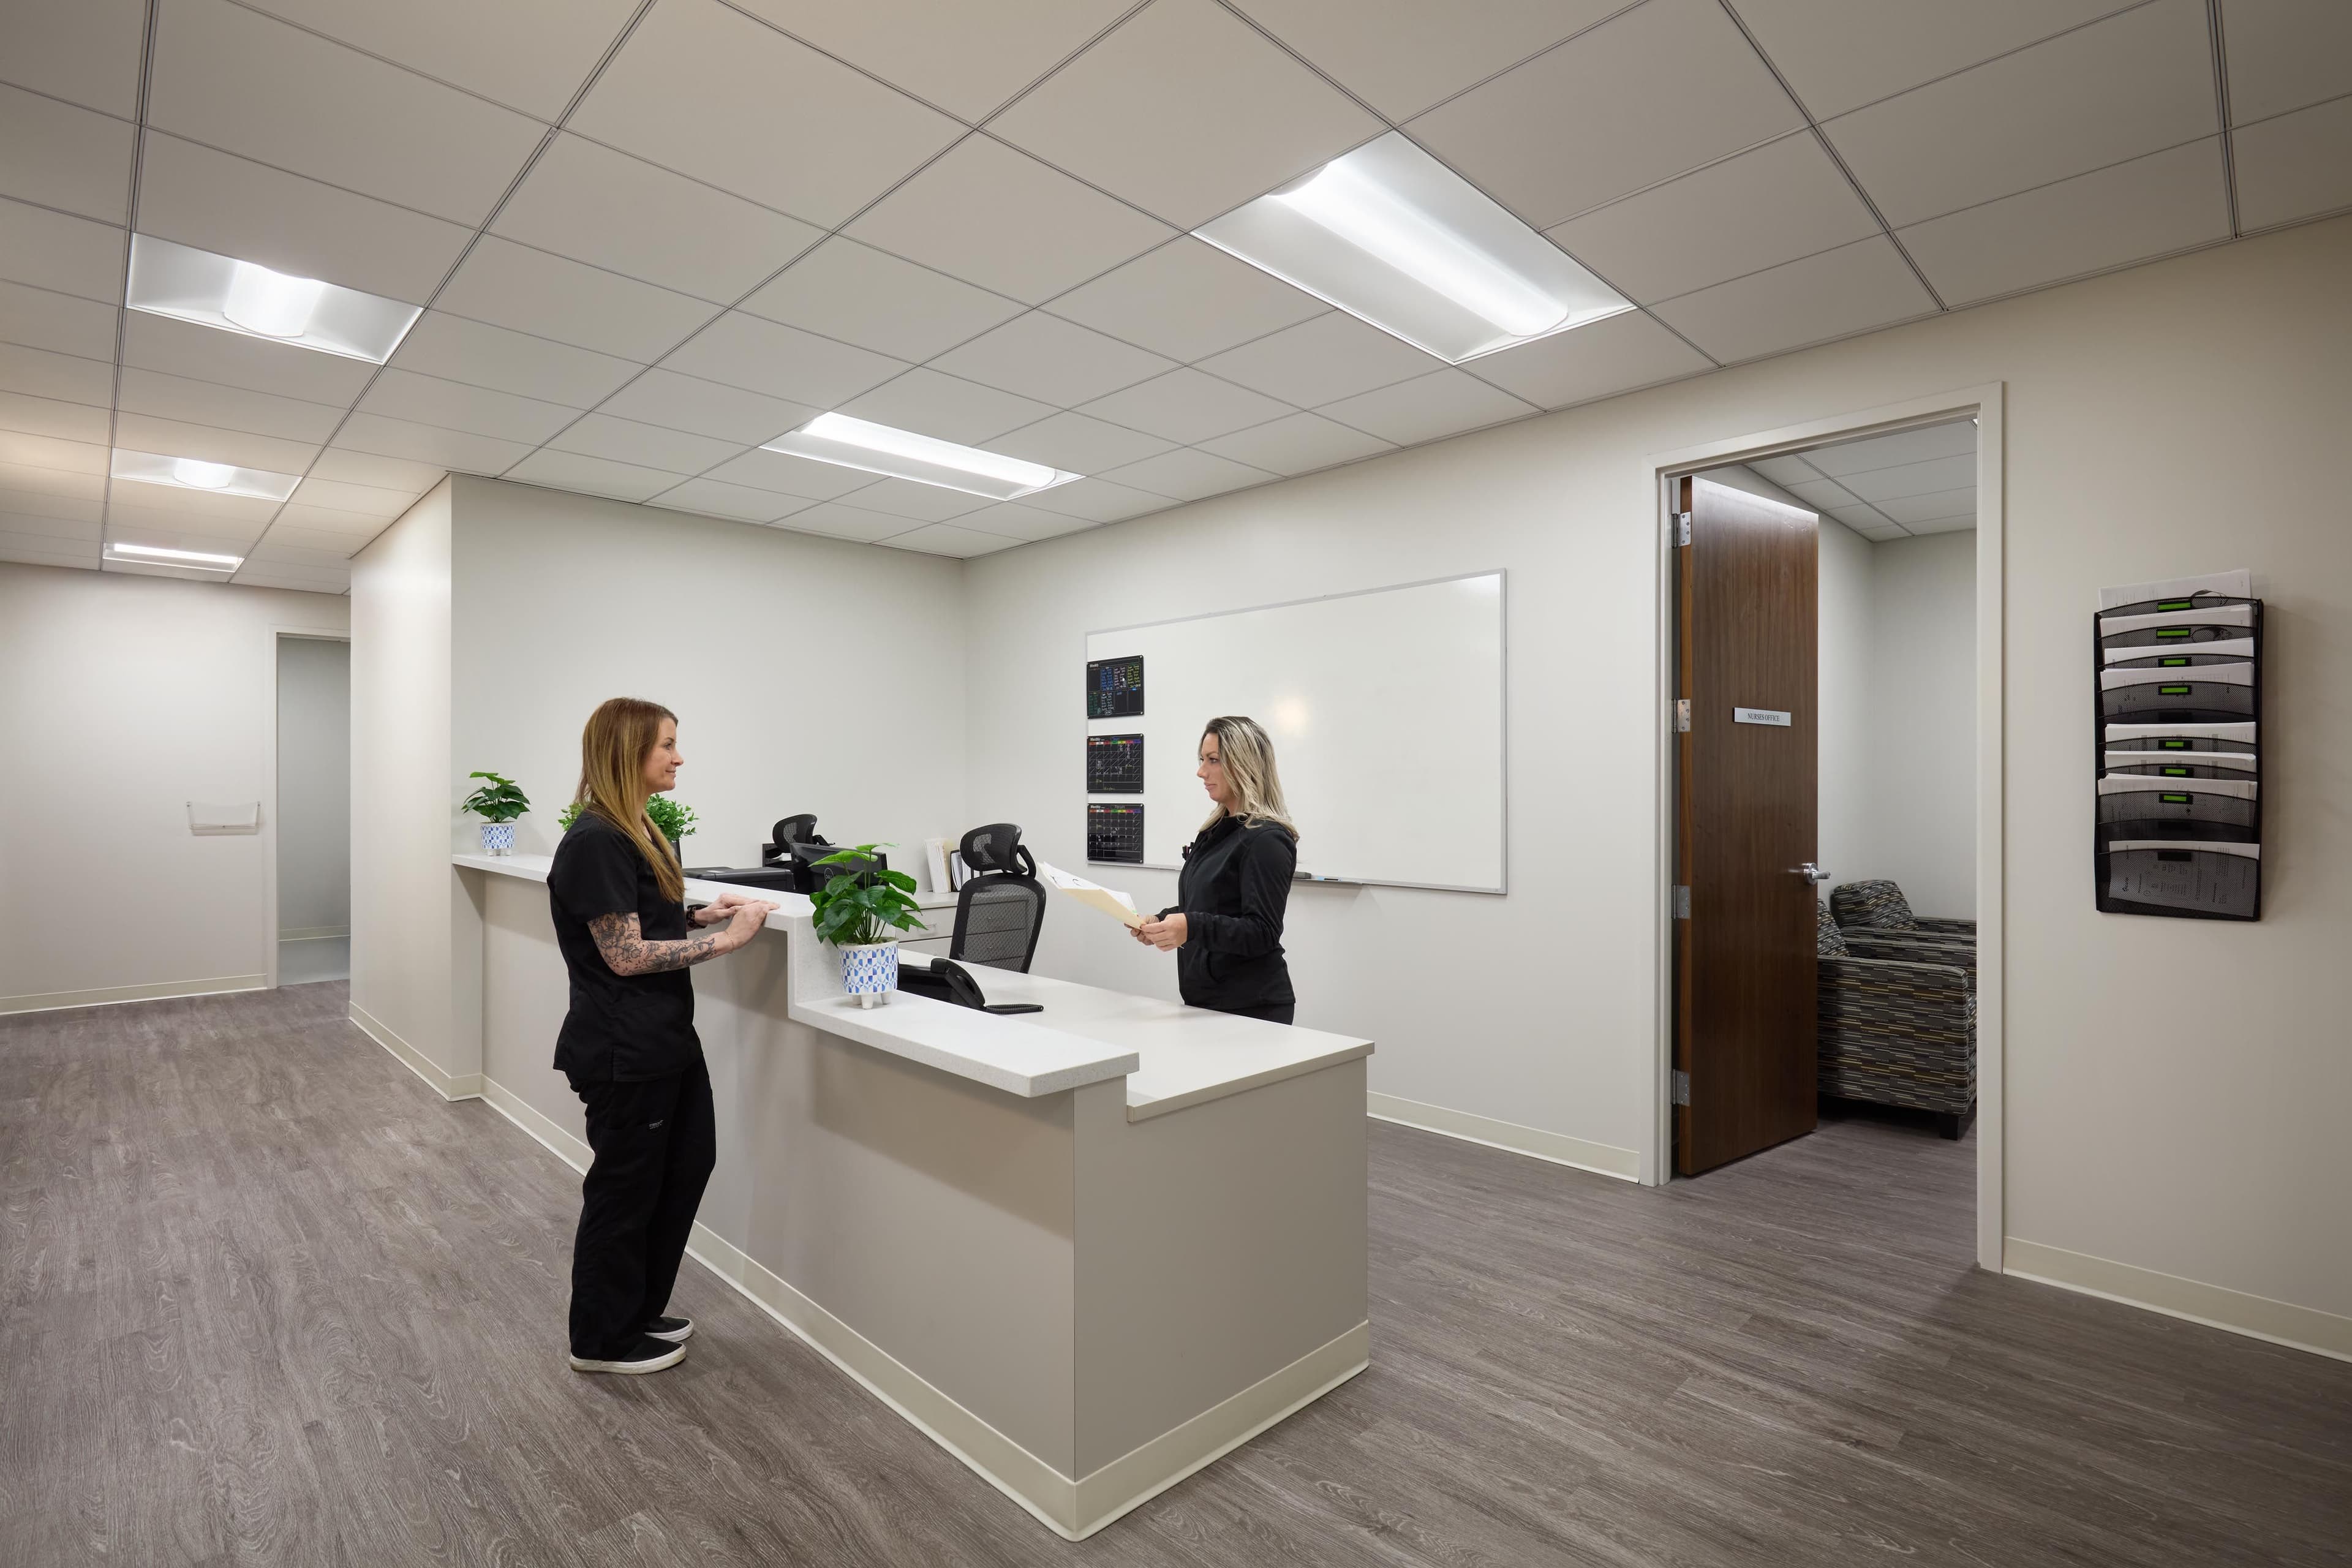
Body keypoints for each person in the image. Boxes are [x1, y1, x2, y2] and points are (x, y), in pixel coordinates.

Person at [546, 697, 777, 1375]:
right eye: (666, 745)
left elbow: (644, 919)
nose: (679, 757)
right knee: (625, 1191)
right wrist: (728, 941)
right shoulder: (596, 839)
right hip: (624, 1049)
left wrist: (703, 914)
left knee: (684, 1168)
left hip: (666, 1037)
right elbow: (622, 954)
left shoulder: (642, 825)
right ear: (627, 753)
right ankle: (600, 1339)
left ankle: (639, 1310)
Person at [1132, 715, 1298, 1024]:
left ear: (1243, 764)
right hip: (1207, 1003)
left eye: (1213, 760)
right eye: (1201, 760)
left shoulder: (1267, 840)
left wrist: (1190, 927)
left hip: (1251, 1009)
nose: (1201, 772)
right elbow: (1212, 906)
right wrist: (1165, 921)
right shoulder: (1217, 831)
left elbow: (1262, 931)